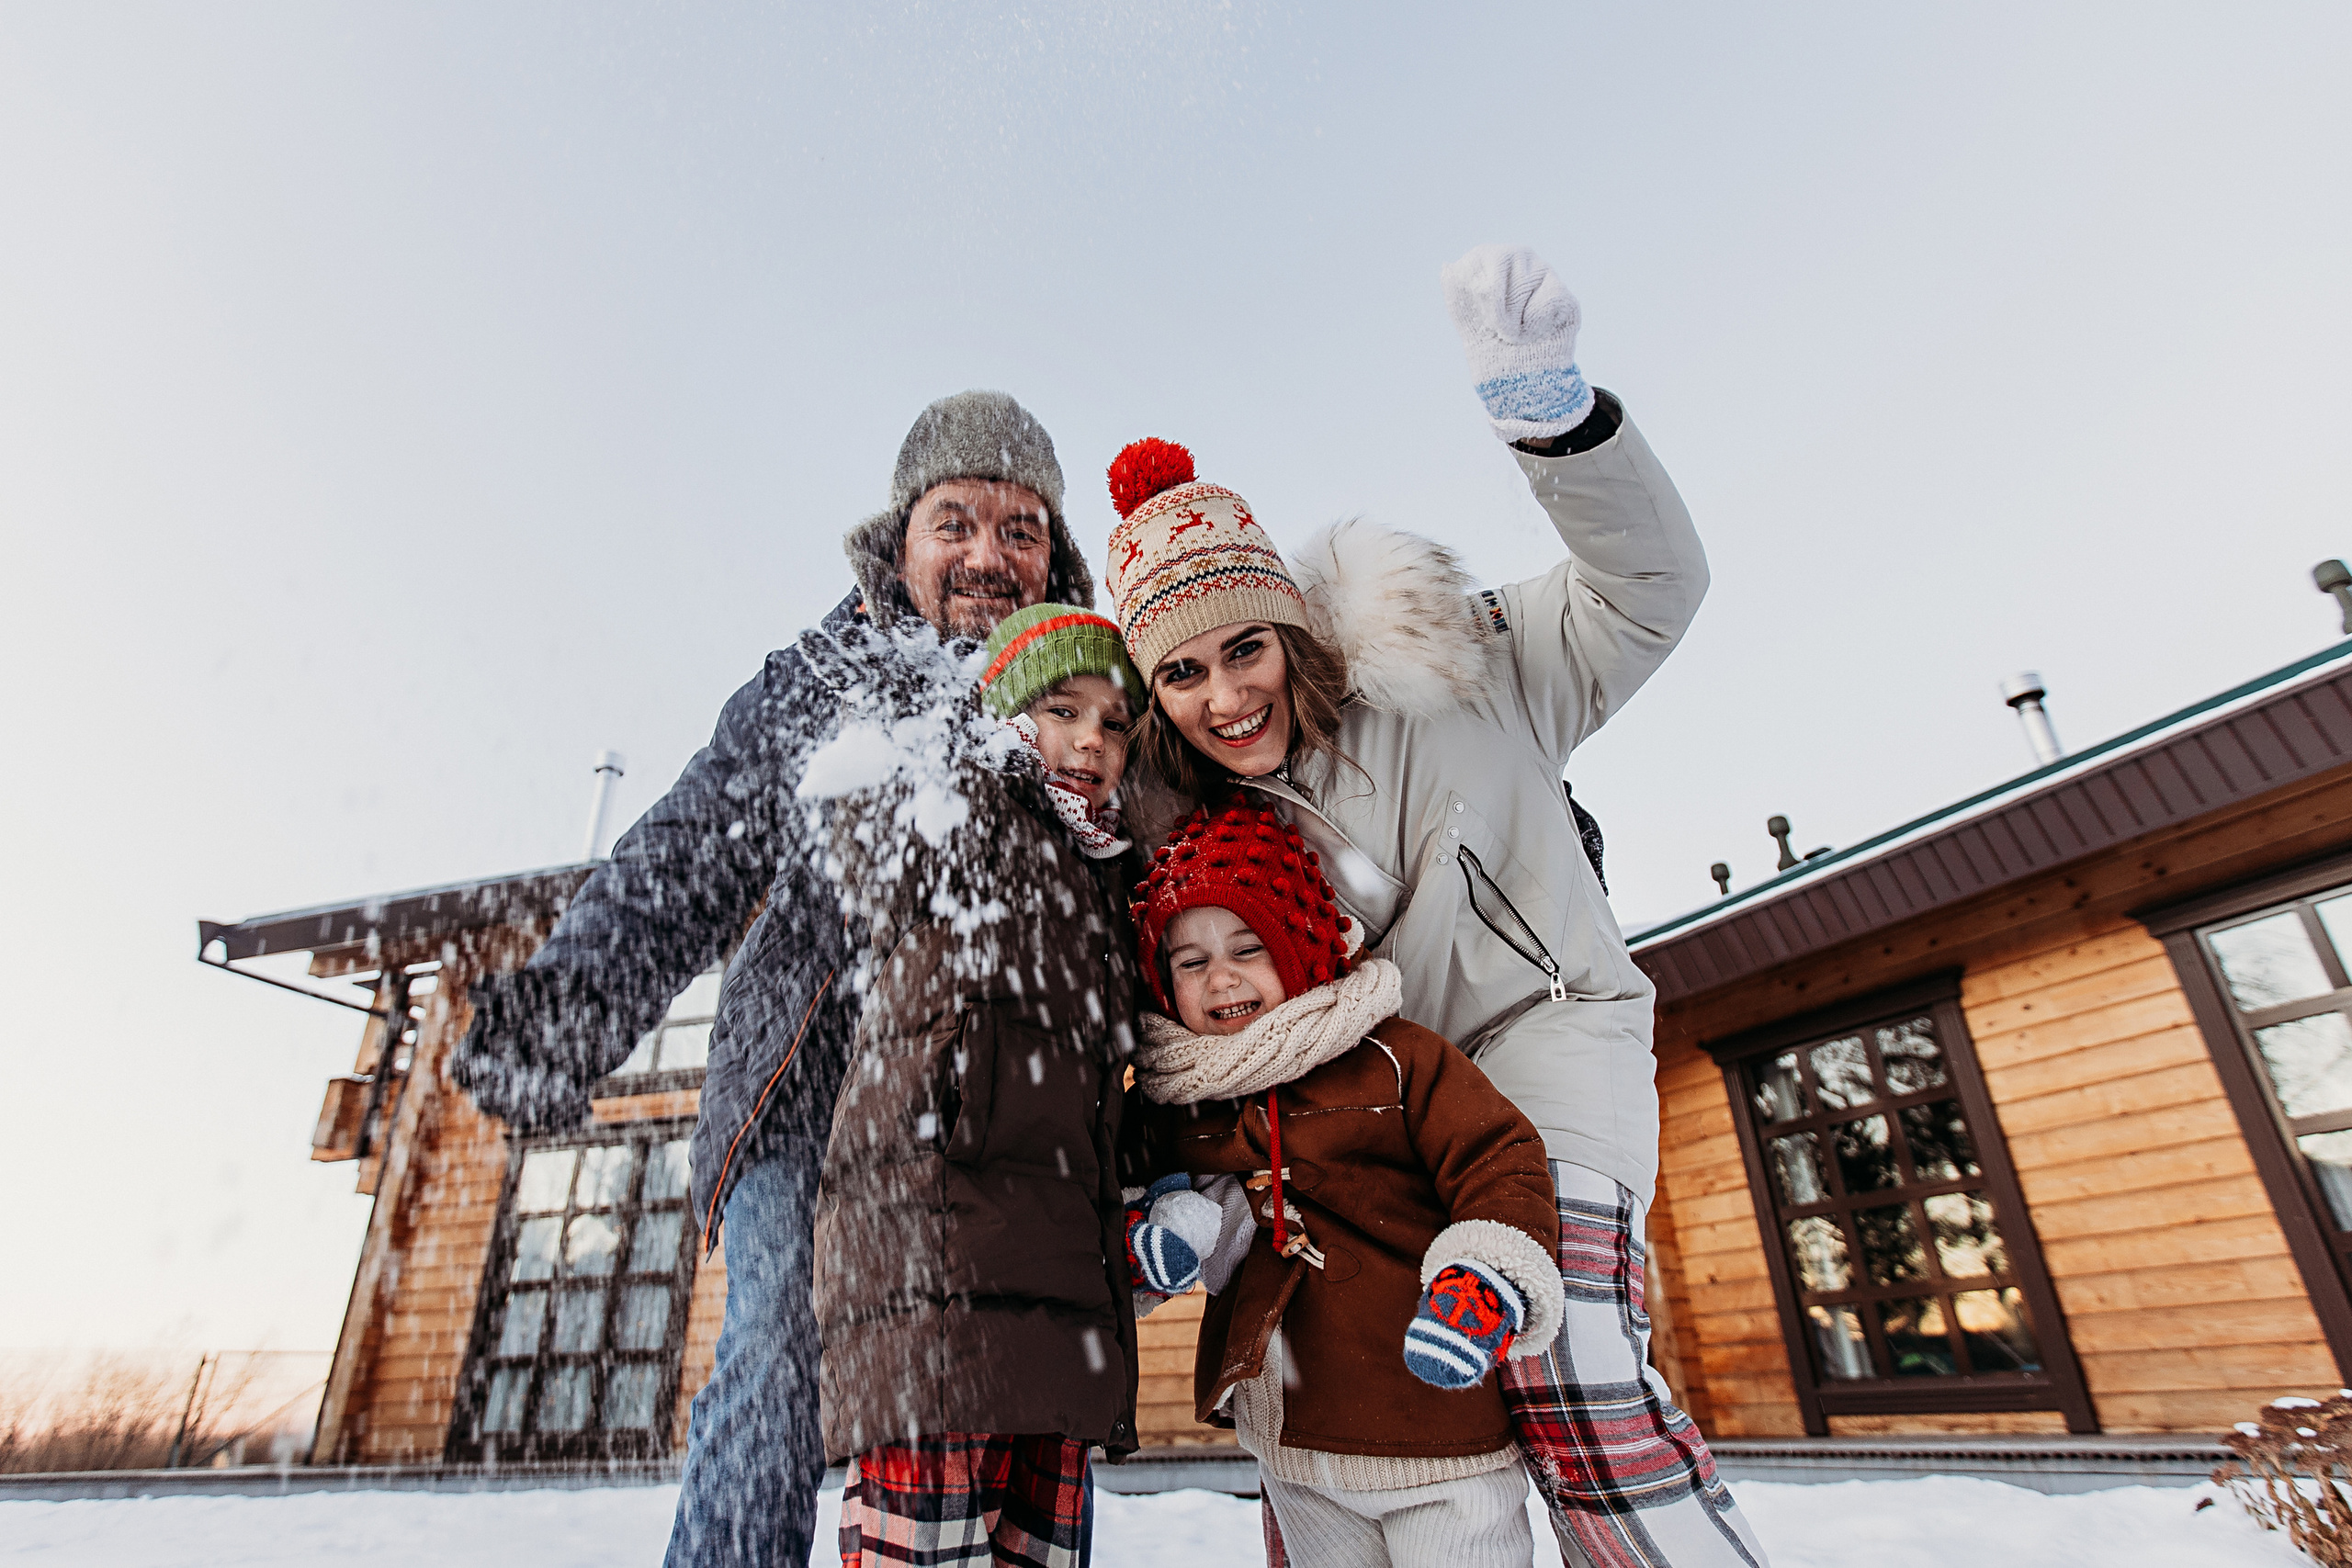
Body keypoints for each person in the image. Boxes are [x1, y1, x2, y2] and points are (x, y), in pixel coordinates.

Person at [1099, 246, 1770, 1566]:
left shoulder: (1458, 664)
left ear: (1290, 626)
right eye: (1183, 673)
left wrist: (1554, 419)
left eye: (1246, 647)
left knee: (1567, 1356)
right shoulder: (1195, 831)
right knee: (1334, 1395)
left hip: (1536, 1044)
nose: (1227, 695)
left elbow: (1649, 593)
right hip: (1353, 1109)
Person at [451, 391, 1094, 1568]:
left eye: (1020, 529)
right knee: (782, 1357)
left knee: (1019, 1391)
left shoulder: (1087, 695)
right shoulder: (816, 680)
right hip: (811, 1090)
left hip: (999, 1118)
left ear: (1055, 557)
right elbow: (686, 849)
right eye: (955, 521)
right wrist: (568, 1007)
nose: (987, 557)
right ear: (897, 539)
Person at [797, 601, 1154, 1568]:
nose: (1091, 739)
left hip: (1056, 1285)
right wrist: (968, 758)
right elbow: (873, 835)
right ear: (1003, 718)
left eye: (1115, 723)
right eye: (1063, 709)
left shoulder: (1108, 876)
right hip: (934, 1267)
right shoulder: (960, 811)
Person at [1125, 801, 1567, 1568]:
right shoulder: (1181, 1097)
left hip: (1435, 1439)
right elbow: (1168, 1194)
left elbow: (1498, 1158)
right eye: (1190, 961)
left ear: (1297, 943)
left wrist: (1484, 1279)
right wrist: (1157, 1236)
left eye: (1247, 946)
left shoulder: (1393, 1058)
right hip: (1296, 1451)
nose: (1220, 977)